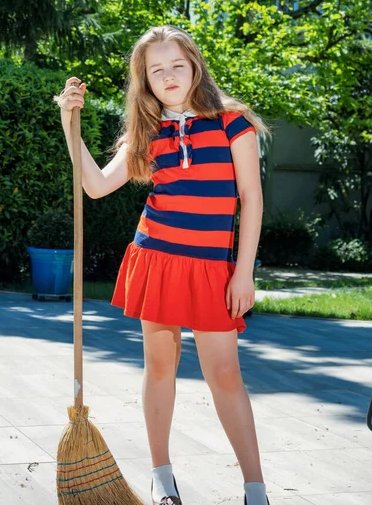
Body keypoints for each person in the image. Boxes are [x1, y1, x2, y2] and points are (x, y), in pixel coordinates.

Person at [55, 25, 271, 505]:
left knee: (225, 374)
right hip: (159, 257)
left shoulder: (233, 122)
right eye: (157, 70)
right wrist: (71, 124)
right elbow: (93, 184)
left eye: (177, 64)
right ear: (145, 80)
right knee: (160, 367)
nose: (169, 75)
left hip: (214, 266)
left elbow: (251, 199)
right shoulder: (146, 132)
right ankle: (162, 478)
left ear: (195, 65)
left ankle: (256, 490)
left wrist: (244, 271)